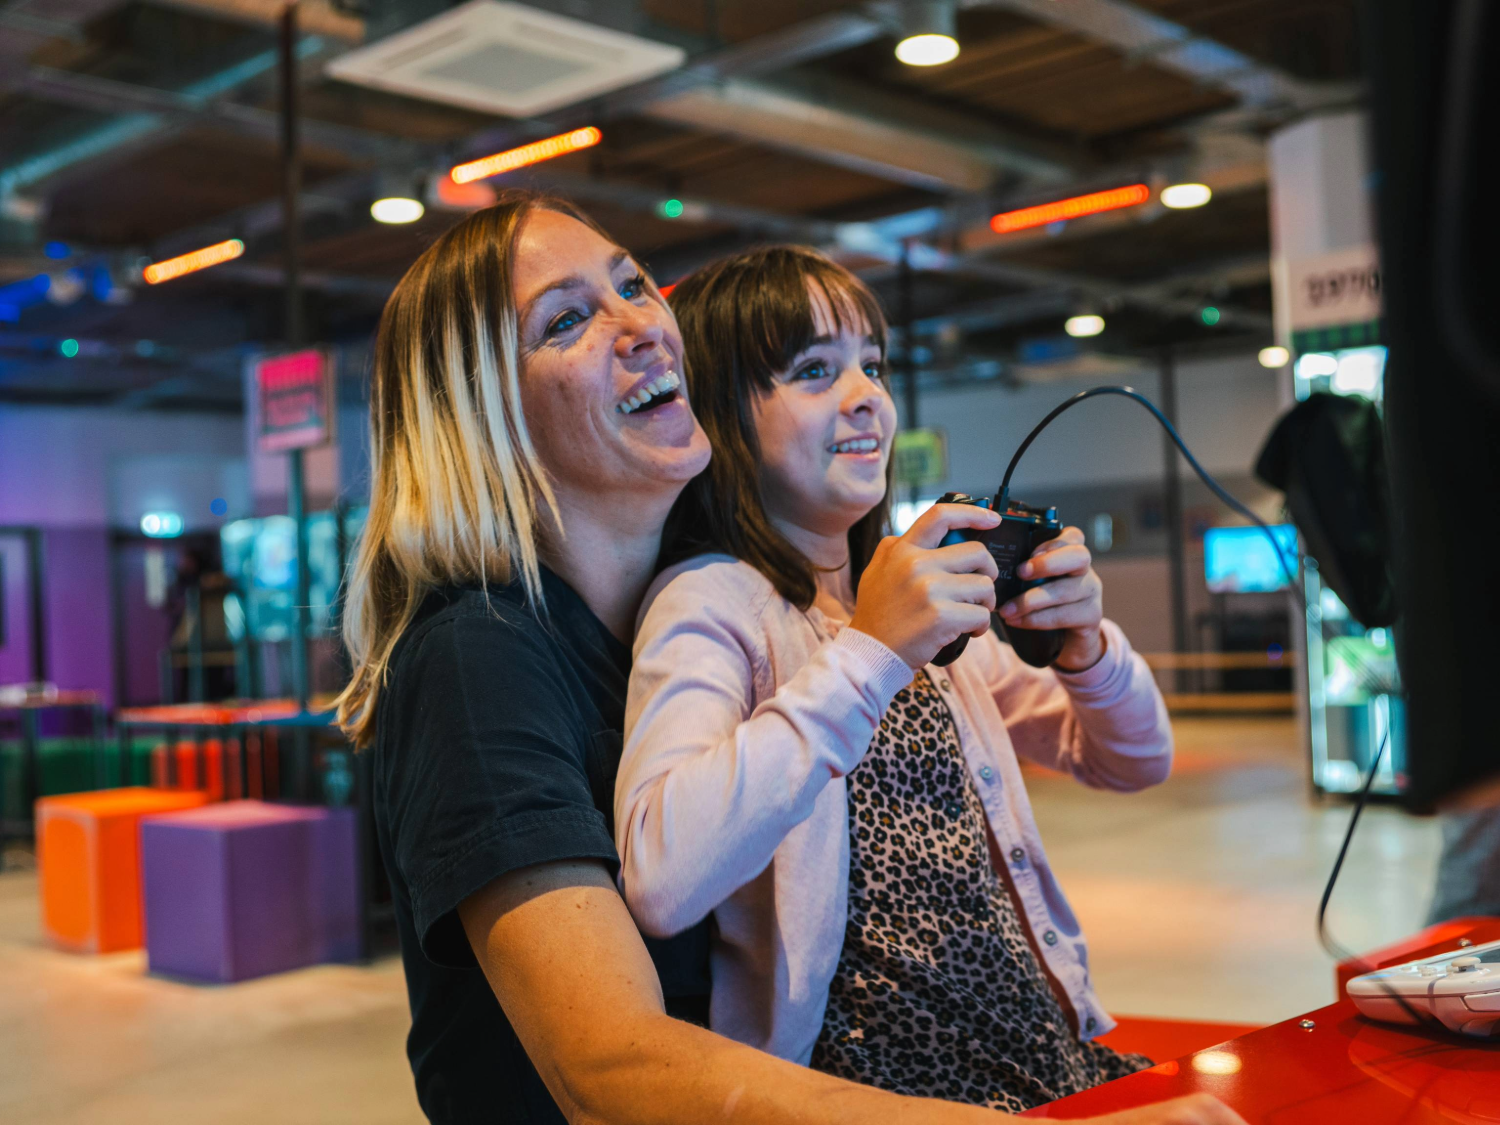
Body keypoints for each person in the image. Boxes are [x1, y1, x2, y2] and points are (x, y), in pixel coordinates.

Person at [336, 192, 1244, 1125]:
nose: (643, 325)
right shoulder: (479, 660)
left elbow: (1128, 754)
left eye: (634, 285)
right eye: (565, 320)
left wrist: (1084, 650)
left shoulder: (642, 621)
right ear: (477, 417)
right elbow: (609, 1062)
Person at [616, 246, 1176, 1112]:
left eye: (872, 366)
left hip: (1037, 1055)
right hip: (879, 1088)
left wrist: (1086, 649)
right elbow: (662, 873)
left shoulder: (921, 598)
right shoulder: (714, 600)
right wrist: (872, 649)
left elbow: (1134, 759)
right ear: (726, 411)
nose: (865, 395)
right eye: (814, 370)